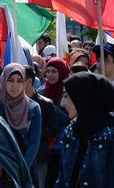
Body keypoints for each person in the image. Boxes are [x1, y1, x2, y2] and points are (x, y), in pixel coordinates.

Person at [56, 72, 114, 187]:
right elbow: (62, 179)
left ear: (83, 98)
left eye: (66, 96)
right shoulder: (70, 131)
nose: (62, 104)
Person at [0, 64, 42, 185]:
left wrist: (20, 170)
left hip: (24, 170)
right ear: (3, 80)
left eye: (19, 81)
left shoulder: (33, 108)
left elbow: (33, 143)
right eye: (10, 80)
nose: (15, 85)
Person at [23, 65, 59, 188]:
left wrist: (34, 129)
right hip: (20, 156)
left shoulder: (46, 103)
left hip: (39, 157)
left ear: (29, 81)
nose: (14, 84)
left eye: (19, 80)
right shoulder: (12, 104)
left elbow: (54, 130)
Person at [37, 57, 71, 188]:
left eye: (54, 72)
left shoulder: (68, 92)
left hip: (62, 146)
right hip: (43, 145)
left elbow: (69, 119)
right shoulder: (41, 91)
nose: (50, 75)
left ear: (62, 72)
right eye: (48, 71)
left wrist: (50, 107)